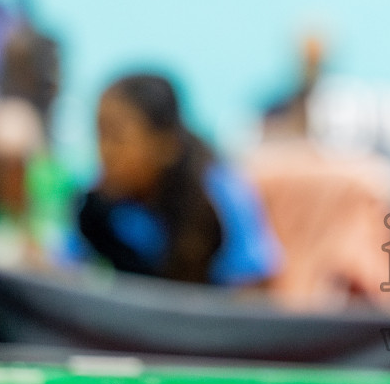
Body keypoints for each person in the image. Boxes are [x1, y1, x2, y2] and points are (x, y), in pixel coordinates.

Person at [68, 73, 281, 287]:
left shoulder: (221, 193)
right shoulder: (101, 205)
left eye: (116, 137)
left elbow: (256, 286)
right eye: (99, 135)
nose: (105, 152)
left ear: (165, 144)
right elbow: (63, 268)